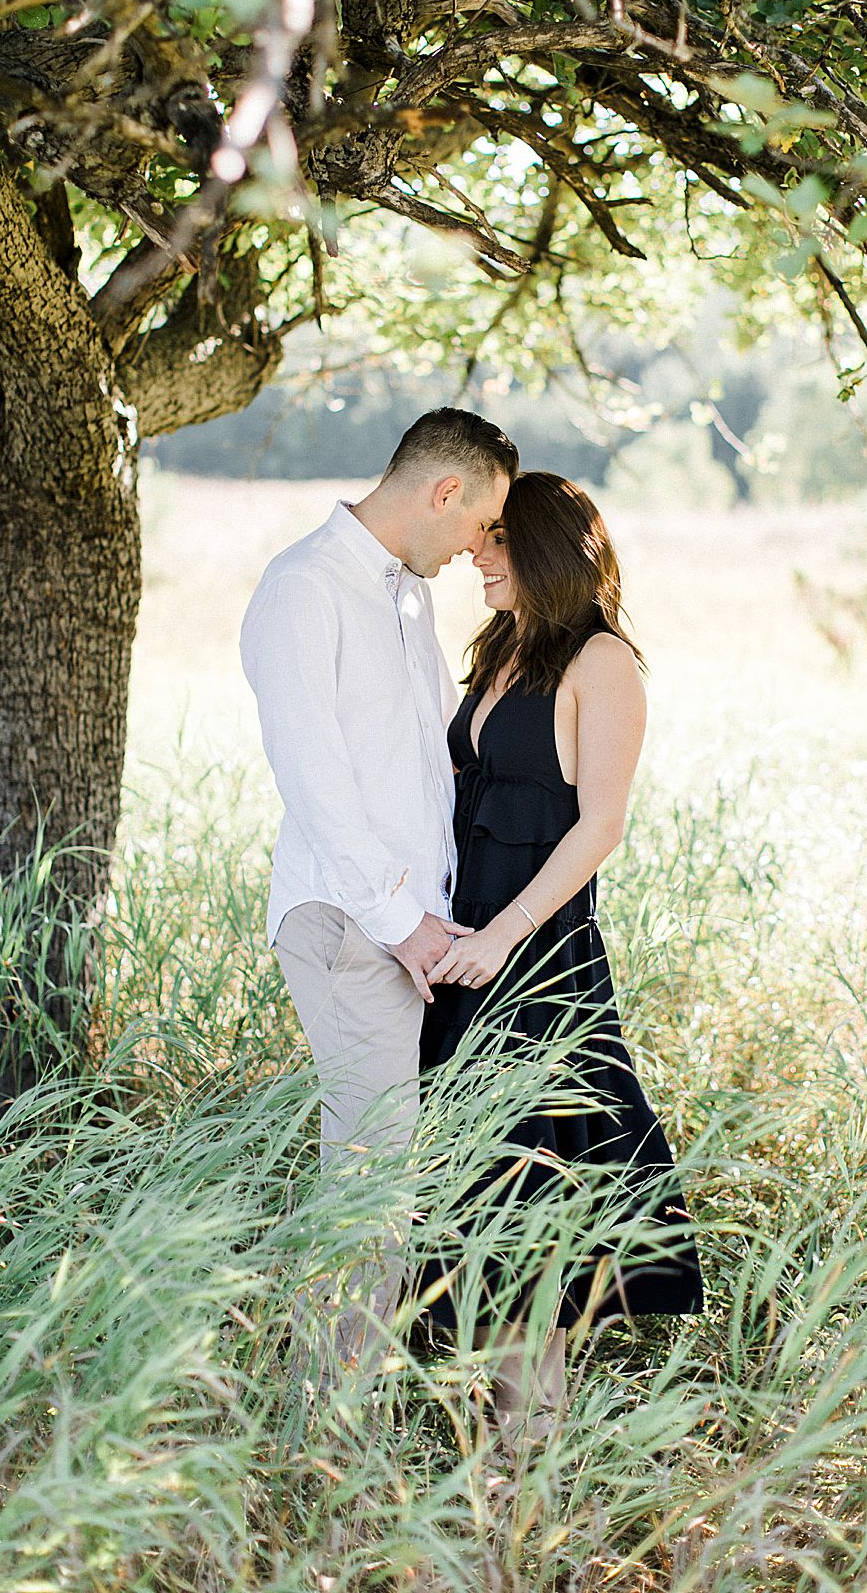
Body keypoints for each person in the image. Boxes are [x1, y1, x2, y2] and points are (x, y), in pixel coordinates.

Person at [418, 470, 704, 1449]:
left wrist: (502, 936)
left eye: (496, 540)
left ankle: (531, 1449)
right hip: (458, 951)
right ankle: (487, 1446)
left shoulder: (601, 662)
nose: (476, 555)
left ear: (539, 548)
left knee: (526, 1203)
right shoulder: (500, 648)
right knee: (470, 1195)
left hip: (535, 962)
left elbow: (599, 828)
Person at [239, 407, 519, 1384]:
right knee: (369, 1182)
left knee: (399, 1174)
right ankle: (329, 1432)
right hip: (351, 925)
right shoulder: (304, 589)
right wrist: (403, 926)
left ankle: (366, 1400)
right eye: (479, 526)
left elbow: (426, 762)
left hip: (415, 927)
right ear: (443, 491)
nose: (476, 550)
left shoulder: (405, 597)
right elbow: (315, 781)